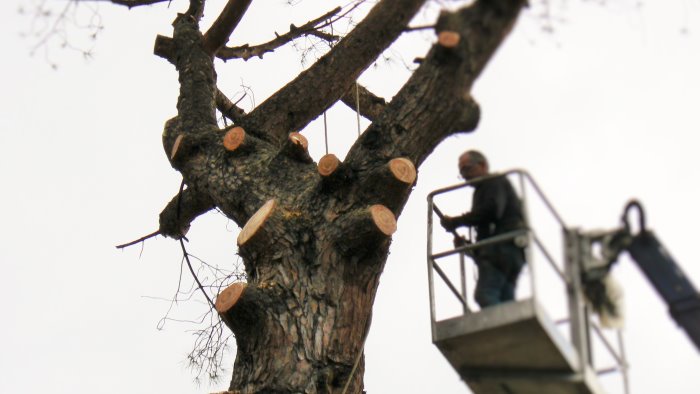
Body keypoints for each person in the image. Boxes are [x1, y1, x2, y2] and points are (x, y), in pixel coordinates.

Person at [440, 150, 527, 308]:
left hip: (503, 248)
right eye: (461, 172)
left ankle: (502, 330)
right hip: (510, 250)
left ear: (482, 165)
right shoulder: (489, 187)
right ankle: (507, 329)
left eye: (467, 169)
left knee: (485, 294)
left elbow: (491, 211)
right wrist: (470, 248)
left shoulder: (493, 182)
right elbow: (488, 227)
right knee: (506, 300)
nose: (465, 176)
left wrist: (456, 222)